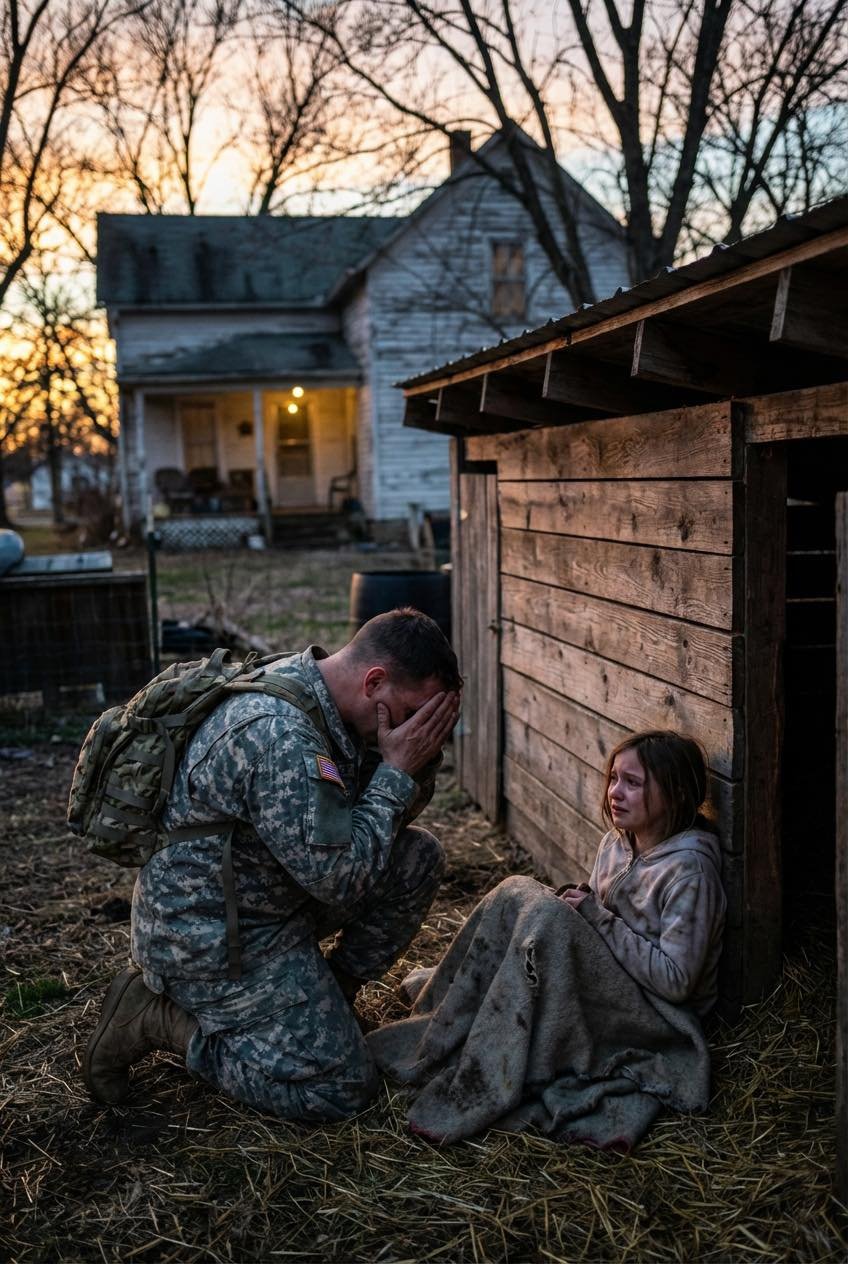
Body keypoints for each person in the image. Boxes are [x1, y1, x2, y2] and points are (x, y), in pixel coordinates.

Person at [84, 608, 461, 1121]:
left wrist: (417, 763)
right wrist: (396, 771)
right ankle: (159, 1018)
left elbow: (379, 835)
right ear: (374, 682)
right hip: (209, 937)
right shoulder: (279, 733)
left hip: (269, 897)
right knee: (341, 1089)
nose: (418, 728)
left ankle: (334, 995)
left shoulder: (327, 696)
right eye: (414, 712)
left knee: (416, 858)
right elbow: (342, 880)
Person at [366, 728, 727, 1146]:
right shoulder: (617, 843)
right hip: (612, 983)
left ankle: (485, 1077)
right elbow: (600, 920)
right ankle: (447, 1008)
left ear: (676, 793)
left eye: (633, 782)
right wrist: (582, 906)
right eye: (614, 777)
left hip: (655, 1015)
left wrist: (594, 918)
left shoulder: (689, 872)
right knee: (517, 893)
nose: (615, 792)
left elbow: (676, 982)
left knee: (545, 916)